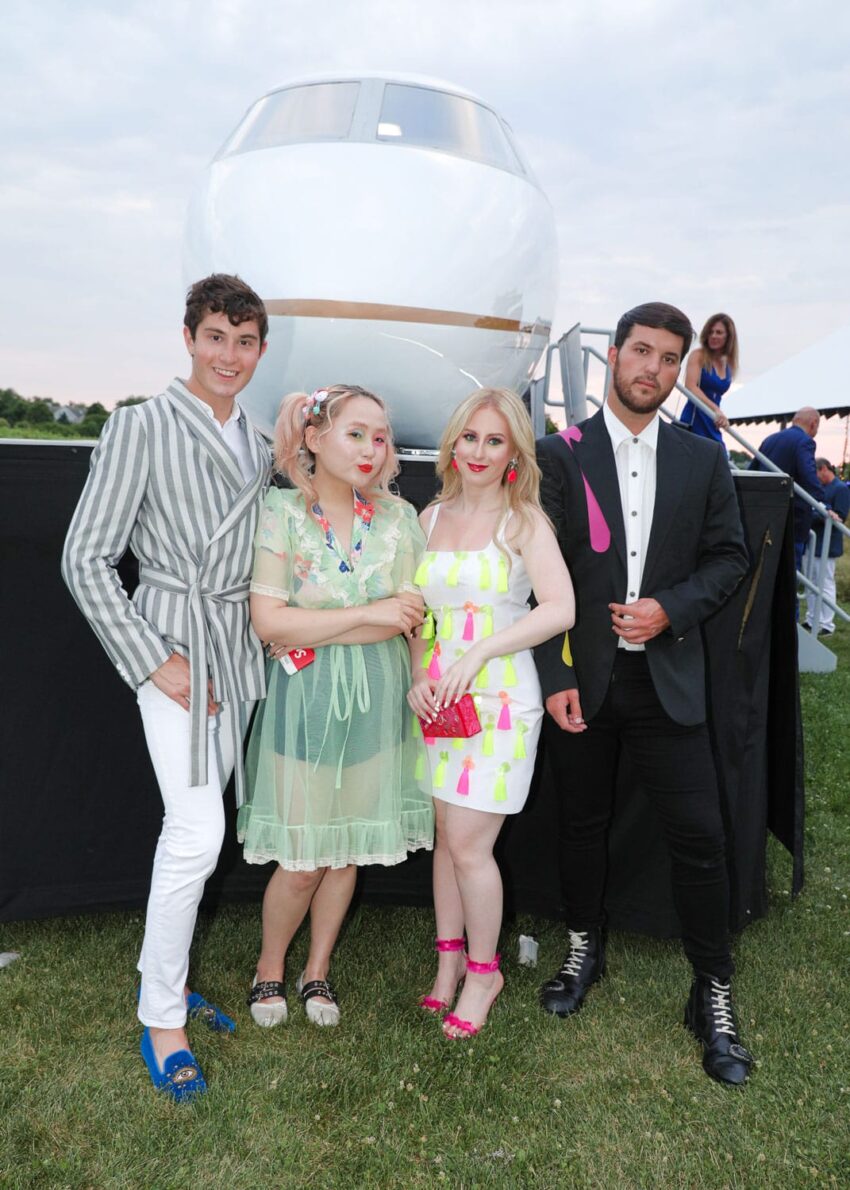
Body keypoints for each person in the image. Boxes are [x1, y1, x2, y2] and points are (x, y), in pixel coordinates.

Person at [62, 274, 272, 1101]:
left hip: (239, 653)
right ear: (189, 336)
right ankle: (161, 1015)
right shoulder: (140, 427)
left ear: (260, 349)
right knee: (194, 833)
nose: (230, 355)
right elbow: (85, 557)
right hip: (173, 647)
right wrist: (154, 659)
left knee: (191, 832)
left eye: (246, 341)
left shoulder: (260, 445)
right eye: (216, 336)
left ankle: (168, 975)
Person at [535, 301, 754, 1086]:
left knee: (700, 836)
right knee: (581, 824)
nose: (652, 369)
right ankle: (584, 948)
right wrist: (556, 676)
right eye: (640, 352)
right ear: (615, 357)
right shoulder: (556, 455)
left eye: (668, 358)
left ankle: (714, 989)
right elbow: (535, 578)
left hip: (668, 677)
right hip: (581, 681)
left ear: (679, 368)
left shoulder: (701, 460)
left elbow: (730, 559)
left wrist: (673, 608)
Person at [239, 384, 433, 1030]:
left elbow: (406, 619)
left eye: (381, 437)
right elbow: (269, 622)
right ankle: (269, 967)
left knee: (346, 852)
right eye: (356, 433)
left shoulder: (400, 521)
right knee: (301, 860)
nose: (372, 450)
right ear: (315, 438)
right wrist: (370, 615)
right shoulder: (283, 512)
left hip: (378, 703)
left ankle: (316, 968)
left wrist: (327, 621)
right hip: (308, 700)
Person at [407, 388, 575, 1039]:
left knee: (471, 846)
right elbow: (416, 613)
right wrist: (422, 673)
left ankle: (485, 973)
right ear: (454, 442)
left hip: (500, 701)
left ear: (514, 453)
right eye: (469, 436)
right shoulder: (428, 518)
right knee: (447, 839)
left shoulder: (523, 521)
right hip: (439, 703)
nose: (478, 450)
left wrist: (479, 653)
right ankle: (448, 964)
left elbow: (559, 608)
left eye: (494, 440)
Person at [751, 407, 823, 570]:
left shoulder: (770, 439)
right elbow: (809, 476)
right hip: (792, 519)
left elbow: (753, 469)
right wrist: (823, 503)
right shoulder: (805, 442)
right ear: (813, 424)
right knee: (789, 573)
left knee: (764, 570)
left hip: (764, 515)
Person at [803, 458, 850, 636]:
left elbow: (839, 516)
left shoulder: (840, 489)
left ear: (823, 469)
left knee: (825, 583)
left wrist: (817, 514)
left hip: (827, 544)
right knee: (812, 583)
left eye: (816, 473)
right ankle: (812, 618)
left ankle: (826, 623)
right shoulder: (821, 488)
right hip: (814, 542)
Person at [679, 313, 739, 443]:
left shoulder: (728, 363)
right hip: (695, 418)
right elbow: (690, 386)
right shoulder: (698, 355)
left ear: (729, 337)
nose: (713, 336)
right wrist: (716, 409)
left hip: (712, 420)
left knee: (720, 457)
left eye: (719, 332)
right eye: (711, 332)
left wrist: (717, 413)